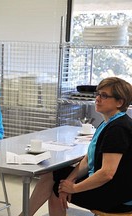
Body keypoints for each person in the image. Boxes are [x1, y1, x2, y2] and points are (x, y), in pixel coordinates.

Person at [19, 77, 132, 216]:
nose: (97, 98)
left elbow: (107, 173)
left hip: (117, 197)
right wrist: (69, 180)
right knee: (55, 176)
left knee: (57, 187)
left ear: (120, 102)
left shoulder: (118, 129)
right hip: (111, 187)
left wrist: (74, 188)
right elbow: (87, 159)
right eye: (97, 94)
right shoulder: (107, 123)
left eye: (104, 96)